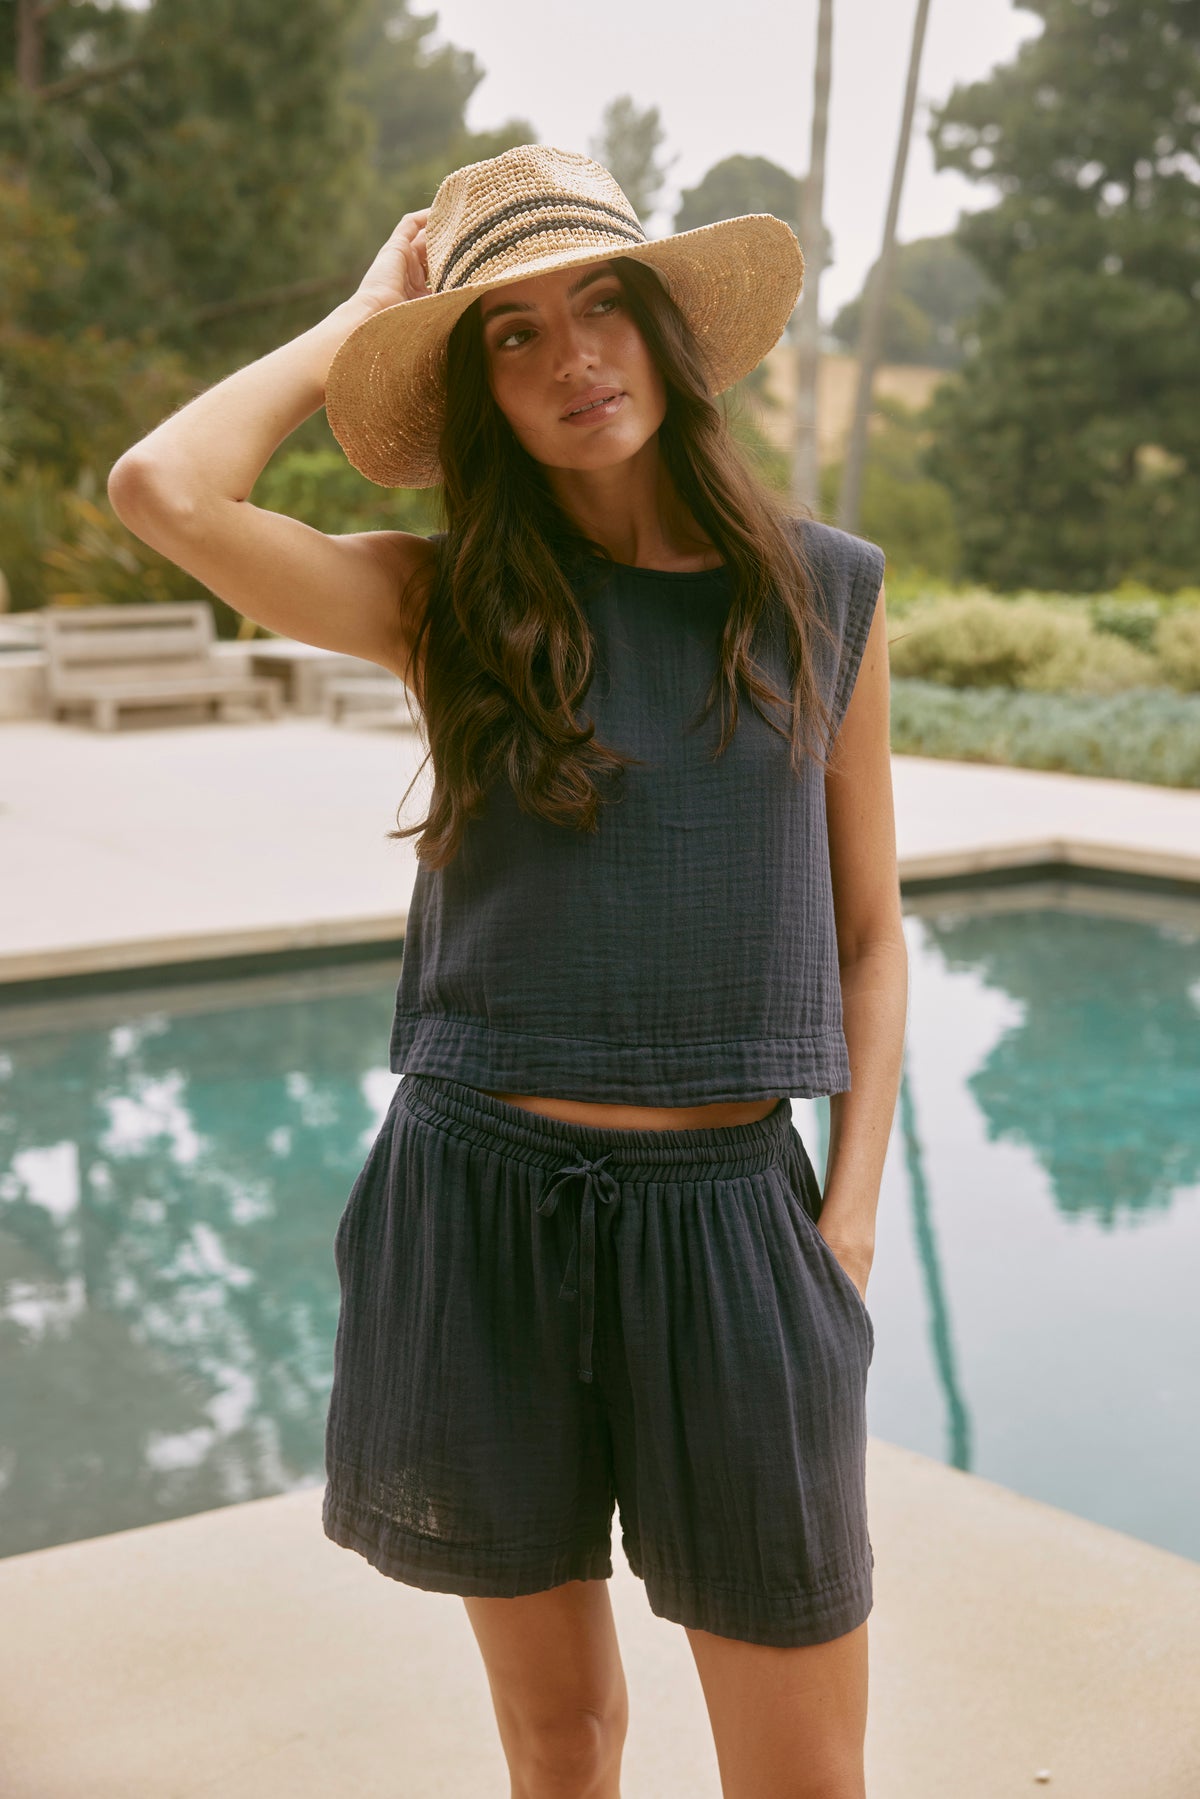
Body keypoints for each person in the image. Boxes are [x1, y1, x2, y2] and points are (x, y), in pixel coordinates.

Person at [109, 144, 907, 1799]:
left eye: (602, 306)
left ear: (668, 334)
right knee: (562, 1745)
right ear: (475, 384)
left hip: (736, 1227)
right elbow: (163, 492)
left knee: (805, 1778)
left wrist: (846, 1218)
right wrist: (362, 318)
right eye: (513, 335)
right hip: (480, 1215)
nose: (575, 360)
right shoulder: (447, 600)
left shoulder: (820, 592)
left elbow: (867, 933)